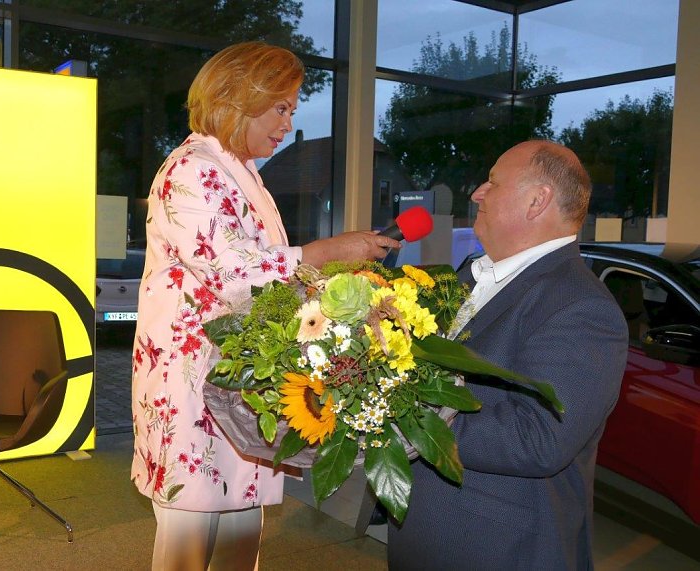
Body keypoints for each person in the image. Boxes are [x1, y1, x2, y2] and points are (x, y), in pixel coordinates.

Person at [130, 41, 399, 571]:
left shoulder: (241, 172)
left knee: (239, 530)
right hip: (194, 383)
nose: (288, 122)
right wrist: (325, 253)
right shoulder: (192, 168)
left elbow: (267, 270)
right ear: (237, 98)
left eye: (292, 109)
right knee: (187, 542)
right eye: (281, 107)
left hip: (233, 379)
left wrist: (340, 284)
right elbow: (234, 273)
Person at [387, 140, 628, 570]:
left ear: (538, 201)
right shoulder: (466, 275)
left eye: (493, 182)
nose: (477, 193)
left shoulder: (581, 306)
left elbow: (538, 439)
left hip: (497, 549)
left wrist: (404, 413)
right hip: (432, 536)